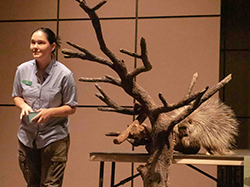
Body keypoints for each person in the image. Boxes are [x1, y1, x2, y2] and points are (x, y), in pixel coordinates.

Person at [12, 27, 78, 187]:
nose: (35, 46)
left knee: (50, 185)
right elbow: (17, 96)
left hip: (54, 137)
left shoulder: (64, 75)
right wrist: (23, 106)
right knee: (32, 183)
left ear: (52, 47)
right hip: (27, 136)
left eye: (41, 43)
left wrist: (50, 112)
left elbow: (71, 107)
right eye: (33, 42)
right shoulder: (22, 70)